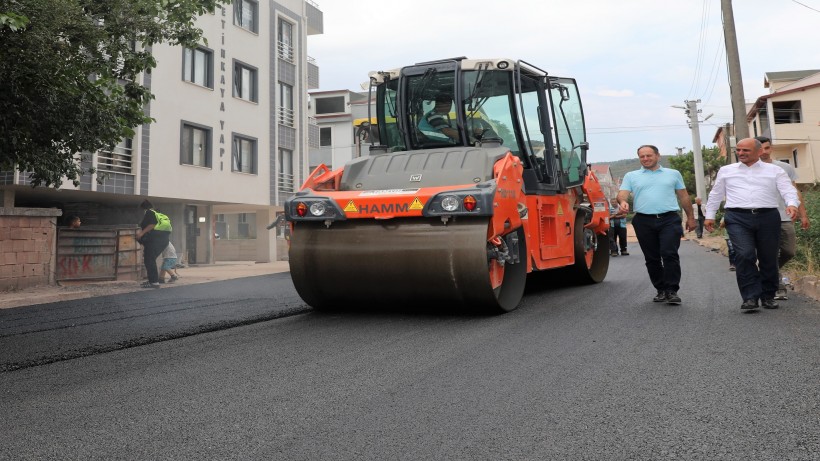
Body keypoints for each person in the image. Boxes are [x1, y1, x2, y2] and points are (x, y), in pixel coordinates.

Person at [704, 138, 800, 311]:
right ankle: (750, 297)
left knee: (768, 258)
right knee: (745, 255)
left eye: (745, 151)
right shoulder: (726, 171)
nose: (740, 153)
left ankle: (768, 295)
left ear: (759, 152)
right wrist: (709, 215)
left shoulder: (775, 170)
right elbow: (716, 194)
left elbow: (788, 190)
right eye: (738, 150)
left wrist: (792, 204)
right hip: (737, 217)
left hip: (768, 217)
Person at [617, 144, 695, 305]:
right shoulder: (631, 175)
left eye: (648, 155)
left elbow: (684, 197)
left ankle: (672, 290)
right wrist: (623, 202)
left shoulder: (673, 174)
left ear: (657, 156)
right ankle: (661, 289)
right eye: (642, 156)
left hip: (669, 219)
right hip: (643, 221)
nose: (645, 159)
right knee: (652, 258)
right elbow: (622, 194)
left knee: (669, 253)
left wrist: (691, 218)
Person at [755, 136, 810, 301]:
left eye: (767, 148)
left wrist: (803, 214)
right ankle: (778, 287)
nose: (764, 152)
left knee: (789, 251)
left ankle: (765, 270)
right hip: (762, 218)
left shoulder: (784, 167)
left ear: (771, 148)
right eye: (761, 149)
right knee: (770, 253)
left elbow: (794, 191)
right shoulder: (750, 169)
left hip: (784, 216)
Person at [135, 200, 172, 289]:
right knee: (150, 260)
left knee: (149, 260)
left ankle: (154, 282)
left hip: (155, 240)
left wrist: (141, 233)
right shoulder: (157, 213)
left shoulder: (149, 212)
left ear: (144, 208)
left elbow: (152, 225)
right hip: (163, 240)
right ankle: (152, 280)